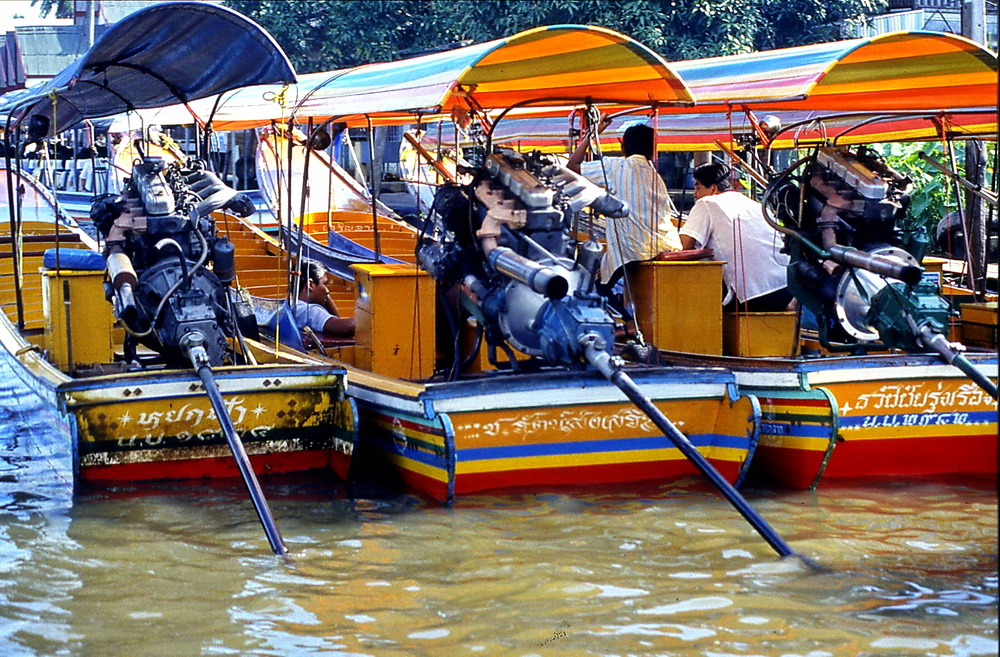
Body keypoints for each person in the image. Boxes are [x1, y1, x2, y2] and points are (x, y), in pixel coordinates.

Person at [567, 115, 682, 307]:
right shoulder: (655, 175)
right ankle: (630, 321)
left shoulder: (617, 166)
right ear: (654, 150)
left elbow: (572, 168)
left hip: (634, 250)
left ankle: (627, 324)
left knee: (594, 291)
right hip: (667, 244)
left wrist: (591, 135)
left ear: (623, 147)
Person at [679, 162, 794, 312]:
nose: (695, 194)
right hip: (786, 288)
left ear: (713, 187)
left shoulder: (706, 203)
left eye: (697, 187)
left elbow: (683, 246)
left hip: (752, 296)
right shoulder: (753, 204)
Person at [294, 260, 354, 337]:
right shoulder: (309, 311)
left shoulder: (289, 305)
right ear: (310, 284)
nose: (327, 290)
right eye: (324, 284)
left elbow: (335, 317)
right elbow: (348, 326)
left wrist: (326, 297)